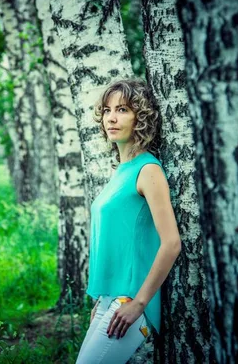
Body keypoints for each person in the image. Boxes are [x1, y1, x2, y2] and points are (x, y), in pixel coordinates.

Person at [75, 79, 182, 364]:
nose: (111, 117)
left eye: (122, 109)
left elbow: (171, 243)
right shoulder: (122, 170)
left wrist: (139, 303)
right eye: (107, 110)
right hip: (111, 299)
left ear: (141, 117)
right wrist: (102, 300)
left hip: (131, 302)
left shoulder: (147, 170)